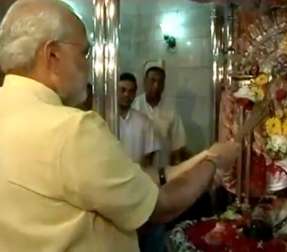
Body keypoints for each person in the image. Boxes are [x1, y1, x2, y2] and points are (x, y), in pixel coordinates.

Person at [0, 1, 240, 252]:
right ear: (52, 54)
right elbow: (162, 205)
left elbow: (128, 178)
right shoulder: (71, 129)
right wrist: (214, 162)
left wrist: (196, 159)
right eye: (85, 53)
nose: (89, 65)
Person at [133, 65, 187, 167]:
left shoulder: (171, 110)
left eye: (160, 82)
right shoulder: (135, 107)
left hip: (163, 171)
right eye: (152, 81)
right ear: (145, 82)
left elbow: (177, 146)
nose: (156, 86)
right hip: (138, 172)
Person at [117, 72, 160, 168]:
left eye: (131, 91)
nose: (126, 94)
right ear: (115, 90)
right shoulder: (105, 118)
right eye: (122, 90)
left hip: (137, 178)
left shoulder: (144, 121)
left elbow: (149, 155)